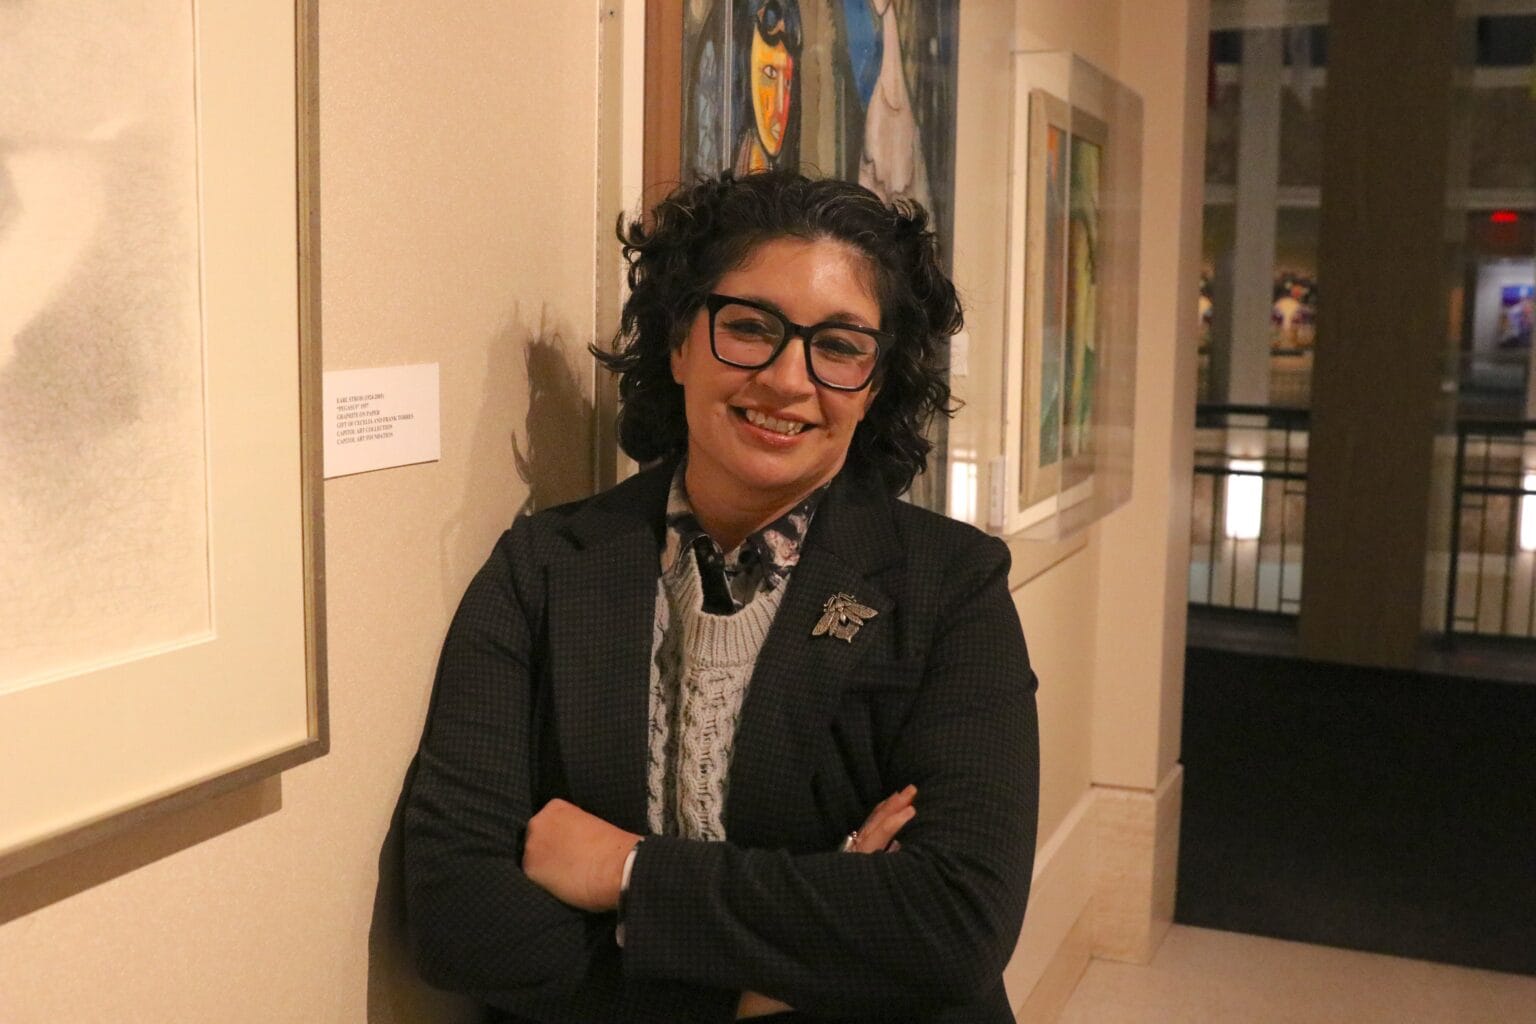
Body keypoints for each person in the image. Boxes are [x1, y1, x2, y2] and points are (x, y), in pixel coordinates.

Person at [402, 171, 1040, 1023]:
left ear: (877, 382)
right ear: (678, 342)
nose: (786, 379)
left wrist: (627, 872)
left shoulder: (952, 587)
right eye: (749, 327)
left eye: (841, 346)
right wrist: (767, 982)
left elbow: (955, 923)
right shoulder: (544, 569)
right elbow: (458, 913)